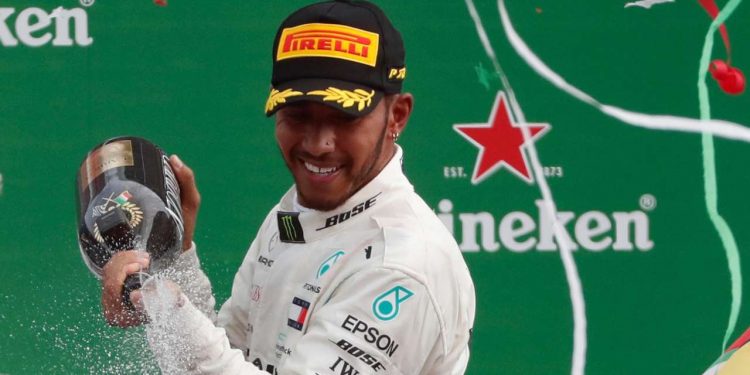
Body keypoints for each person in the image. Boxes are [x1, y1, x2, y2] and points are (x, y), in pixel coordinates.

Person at [100, 1, 476, 374]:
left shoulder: (403, 267)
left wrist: (170, 310)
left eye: (344, 118)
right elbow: (233, 354)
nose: (317, 144)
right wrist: (167, 263)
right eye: (297, 115)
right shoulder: (298, 211)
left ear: (397, 116)